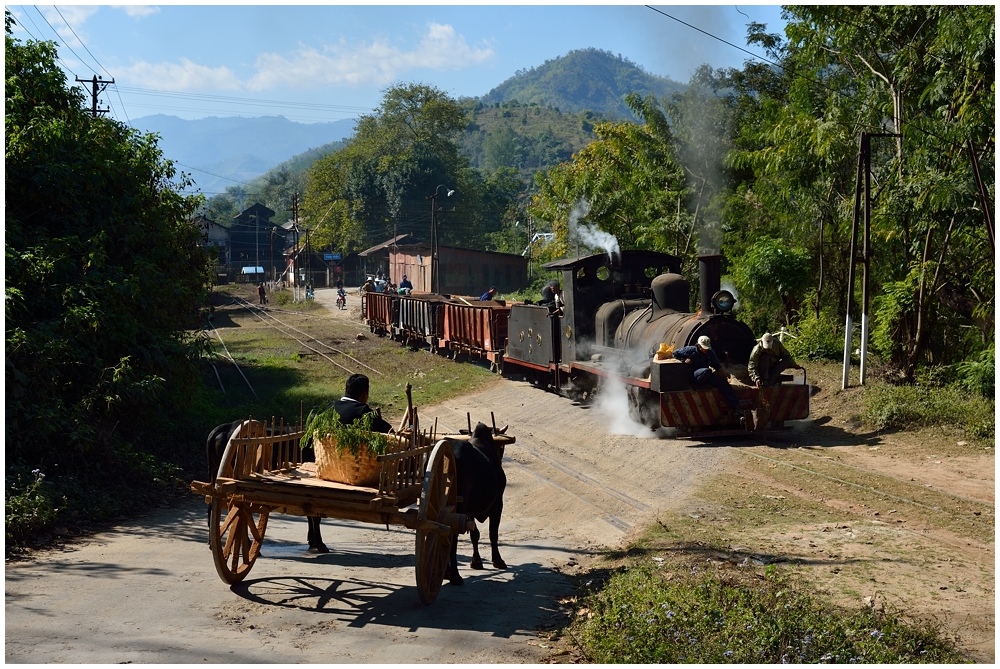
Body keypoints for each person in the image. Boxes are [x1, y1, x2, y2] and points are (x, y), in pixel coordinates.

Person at [672, 335, 748, 411]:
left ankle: (735, 404)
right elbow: (675, 354)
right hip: (694, 374)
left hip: (706, 375)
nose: (705, 350)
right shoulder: (689, 350)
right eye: (704, 348)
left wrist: (723, 373)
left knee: (722, 381)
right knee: (706, 371)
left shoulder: (710, 353)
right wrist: (684, 360)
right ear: (698, 346)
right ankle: (697, 385)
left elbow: (716, 365)